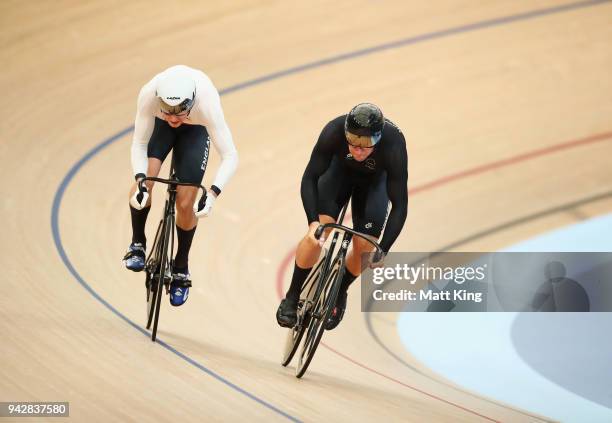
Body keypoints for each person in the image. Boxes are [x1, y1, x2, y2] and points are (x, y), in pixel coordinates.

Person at [276, 103, 408, 330]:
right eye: (353, 141)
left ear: (378, 138)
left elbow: (400, 205)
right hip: (339, 175)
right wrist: (313, 222)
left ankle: (340, 290)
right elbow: (309, 178)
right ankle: (292, 295)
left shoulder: (394, 143)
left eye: (365, 144)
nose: (358, 149)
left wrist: (383, 248)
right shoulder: (333, 131)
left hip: (374, 185)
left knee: (365, 249)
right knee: (316, 235)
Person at [122, 65, 238, 306]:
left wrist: (213, 193)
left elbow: (230, 155)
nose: (174, 118)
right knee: (146, 182)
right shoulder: (149, 95)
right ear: (159, 101)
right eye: (168, 110)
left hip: (195, 131)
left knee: (186, 203)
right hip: (159, 127)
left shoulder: (207, 103)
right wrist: (141, 180)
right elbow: (139, 145)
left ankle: (181, 266)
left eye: (179, 111)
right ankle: (137, 243)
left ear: (192, 101)